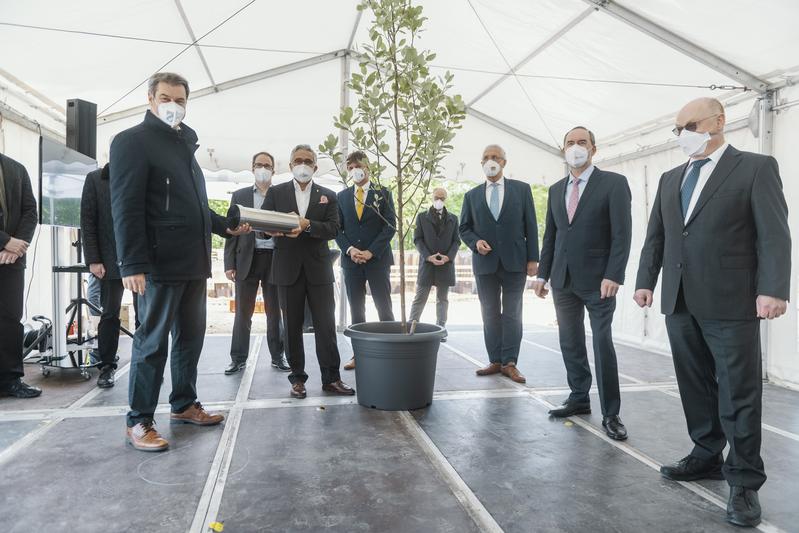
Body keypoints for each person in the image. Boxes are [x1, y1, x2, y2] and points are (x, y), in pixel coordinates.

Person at [634, 97, 791, 528]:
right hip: (679, 300)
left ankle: (743, 481)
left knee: (739, 392)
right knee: (694, 385)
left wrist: (773, 289)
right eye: (677, 127)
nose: (682, 132)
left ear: (718, 122)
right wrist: (646, 280)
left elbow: (774, 235)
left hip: (732, 300)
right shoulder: (670, 178)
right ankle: (706, 453)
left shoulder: (755, 168)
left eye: (690, 124)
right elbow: (657, 238)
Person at [110, 72, 250, 452]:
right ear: (151, 99)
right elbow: (125, 206)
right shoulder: (131, 142)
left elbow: (195, 208)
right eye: (167, 98)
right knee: (151, 342)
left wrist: (227, 226)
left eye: (181, 100)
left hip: (193, 262)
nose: (174, 105)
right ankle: (139, 420)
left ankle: (184, 403)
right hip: (157, 263)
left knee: (190, 338)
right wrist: (132, 263)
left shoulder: (184, 145)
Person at [533, 126, 632, 440]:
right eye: (570, 143)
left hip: (599, 281)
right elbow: (551, 236)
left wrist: (614, 274)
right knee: (570, 340)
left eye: (582, 142)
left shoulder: (613, 184)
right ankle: (578, 397)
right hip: (563, 279)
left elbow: (622, 234)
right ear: (564, 149)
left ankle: (611, 413)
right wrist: (542, 274)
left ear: (594, 148)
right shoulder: (555, 189)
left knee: (602, 343)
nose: (576, 147)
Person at [263, 144, 354, 399]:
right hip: (286, 268)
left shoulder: (329, 195)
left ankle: (331, 378)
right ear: (291, 165)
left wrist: (307, 225)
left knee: (326, 325)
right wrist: (272, 229)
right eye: (298, 160)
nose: (302, 164)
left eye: (308, 161)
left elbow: (334, 228)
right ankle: (297, 380)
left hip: (319, 269)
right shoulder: (276, 192)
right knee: (291, 327)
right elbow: (263, 226)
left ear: (315, 166)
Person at [459, 144, 539, 384]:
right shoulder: (471, 195)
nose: (490, 161)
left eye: (495, 157)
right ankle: (495, 360)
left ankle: (510, 362)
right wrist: (475, 242)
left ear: (504, 162)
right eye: (486, 157)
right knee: (489, 313)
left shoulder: (522, 190)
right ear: (481, 163)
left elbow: (531, 226)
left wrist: (533, 259)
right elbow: (464, 228)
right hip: (485, 264)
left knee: (513, 313)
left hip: (515, 262)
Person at [224, 151, 287, 375]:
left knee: (275, 312)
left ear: (273, 170)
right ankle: (238, 358)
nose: (263, 168)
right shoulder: (240, 195)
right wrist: (228, 264)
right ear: (252, 168)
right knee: (243, 313)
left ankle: (278, 356)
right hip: (245, 260)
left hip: (274, 259)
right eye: (259, 164)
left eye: (267, 165)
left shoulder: (281, 194)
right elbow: (231, 230)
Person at [335, 150, 396, 370]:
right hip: (351, 262)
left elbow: (390, 226)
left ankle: (391, 351)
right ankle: (358, 354)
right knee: (356, 311)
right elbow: (337, 229)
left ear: (368, 167)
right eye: (350, 168)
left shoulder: (383, 193)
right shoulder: (341, 196)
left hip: (377, 260)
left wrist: (371, 252)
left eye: (357, 166)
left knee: (384, 307)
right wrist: (350, 250)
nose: (354, 171)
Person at [81, 162, 133, 388]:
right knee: (110, 314)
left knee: (146, 316)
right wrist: (93, 259)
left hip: (139, 257)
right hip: (109, 260)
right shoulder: (95, 179)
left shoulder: (138, 174)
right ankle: (107, 367)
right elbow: (88, 221)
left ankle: (146, 366)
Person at [0, 151, 40, 399]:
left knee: (10, 320)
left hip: (12, 261)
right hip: (8, 248)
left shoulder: (16, 168)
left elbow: (30, 212)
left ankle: (10, 379)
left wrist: (17, 246)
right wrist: (5, 241)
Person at [409, 187, 460, 340]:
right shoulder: (421, 217)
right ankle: (412, 325)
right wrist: (427, 256)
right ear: (432, 197)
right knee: (420, 297)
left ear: (446, 199)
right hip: (427, 264)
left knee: (443, 299)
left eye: (442, 198)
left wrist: (448, 257)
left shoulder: (453, 218)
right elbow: (417, 239)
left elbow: (457, 241)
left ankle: (441, 328)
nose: (439, 200)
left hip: (445, 265)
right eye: (437, 197)